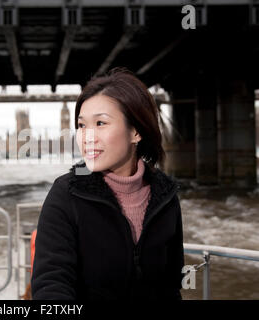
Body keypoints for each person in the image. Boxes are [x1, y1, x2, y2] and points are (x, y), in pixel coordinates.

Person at [31, 67, 185, 300]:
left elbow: (172, 286)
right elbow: (51, 287)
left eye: (100, 123)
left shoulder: (166, 196)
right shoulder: (66, 193)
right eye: (82, 126)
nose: (87, 137)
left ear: (136, 132)